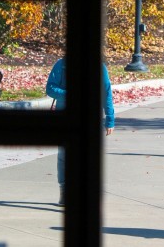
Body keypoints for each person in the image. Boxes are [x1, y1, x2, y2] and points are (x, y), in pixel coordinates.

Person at [45, 57, 115, 206]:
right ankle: (65, 190)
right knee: (64, 156)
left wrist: (110, 119)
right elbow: (50, 88)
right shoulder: (62, 65)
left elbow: (106, 92)